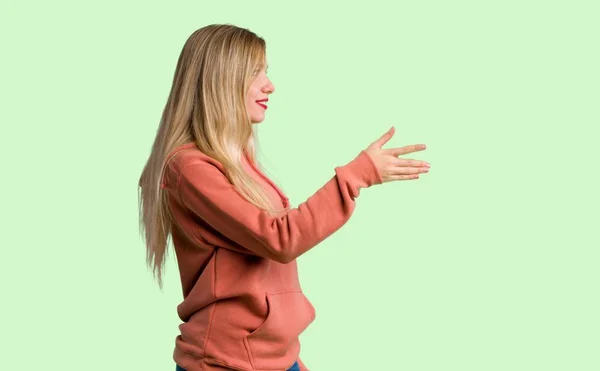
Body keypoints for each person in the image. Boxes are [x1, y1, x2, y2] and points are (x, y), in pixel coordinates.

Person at [138, 24, 430, 371]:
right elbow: (279, 238)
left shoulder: (234, 163)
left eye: (267, 72)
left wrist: (288, 358)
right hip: (226, 362)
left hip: (268, 359)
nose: (269, 85)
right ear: (220, 81)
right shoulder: (189, 169)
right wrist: (355, 176)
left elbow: (264, 273)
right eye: (255, 73)